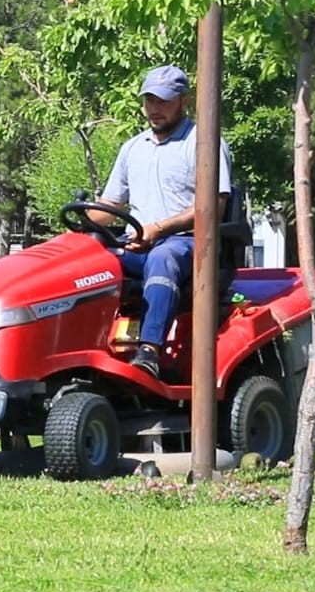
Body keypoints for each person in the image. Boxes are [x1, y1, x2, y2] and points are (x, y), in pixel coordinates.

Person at [93, 65, 233, 378]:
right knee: (87, 259)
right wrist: (82, 222)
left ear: (184, 101)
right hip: (135, 245)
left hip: (187, 244)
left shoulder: (205, 144)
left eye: (163, 101)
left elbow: (214, 207)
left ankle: (149, 351)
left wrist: (157, 229)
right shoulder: (132, 148)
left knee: (162, 256)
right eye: (149, 101)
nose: (154, 109)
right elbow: (110, 205)